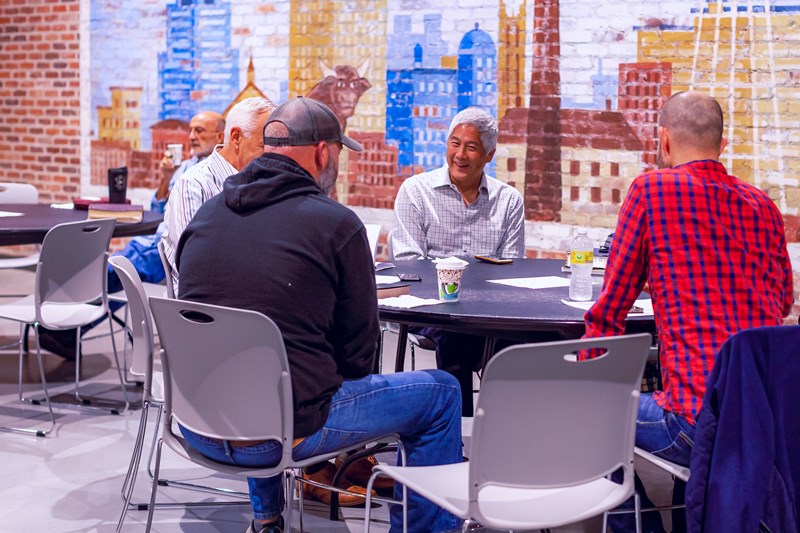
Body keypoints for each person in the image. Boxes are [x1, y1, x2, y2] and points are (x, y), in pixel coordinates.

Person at [177, 97, 463, 533]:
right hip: (280, 434)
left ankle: (267, 519)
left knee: (259, 370)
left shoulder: (207, 215)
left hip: (197, 422)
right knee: (440, 392)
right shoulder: (337, 225)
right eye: (340, 152)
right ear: (324, 152)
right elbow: (358, 359)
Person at [583, 91, 794, 532]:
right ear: (722, 144)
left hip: (693, 422)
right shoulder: (763, 206)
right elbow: (781, 305)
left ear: (663, 139)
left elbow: (610, 311)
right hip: (762, 421)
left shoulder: (650, 191)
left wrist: (587, 375)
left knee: (593, 412)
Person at [36, 111, 225, 360]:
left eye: (199, 131)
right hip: (153, 240)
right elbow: (157, 210)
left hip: (174, 247)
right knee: (118, 268)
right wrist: (165, 178)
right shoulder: (186, 166)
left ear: (220, 136)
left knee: (118, 270)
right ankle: (66, 326)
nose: (191, 136)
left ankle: (64, 324)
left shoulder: (218, 173)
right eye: (190, 130)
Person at [390, 107, 526, 416]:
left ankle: (504, 427)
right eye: (455, 143)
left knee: (524, 339)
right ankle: (458, 428)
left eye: (471, 147)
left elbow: (513, 269)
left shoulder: (509, 201)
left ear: (488, 155)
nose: (460, 155)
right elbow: (408, 264)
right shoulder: (416, 192)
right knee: (458, 334)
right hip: (430, 308)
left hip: (489, 310)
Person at [161, 97, 275, 294]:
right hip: (206, 301)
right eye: (263, 145)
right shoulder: (193, 184)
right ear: (236, 137)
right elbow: (192, 263)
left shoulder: (263, 180)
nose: (271, 155)